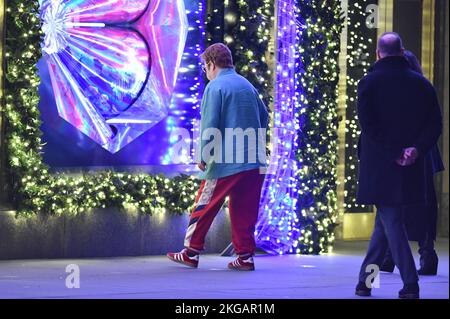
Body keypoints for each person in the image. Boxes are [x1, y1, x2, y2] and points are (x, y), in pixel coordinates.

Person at [354, 33, 442, 299]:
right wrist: (415, 149)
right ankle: (365, 283)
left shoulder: (368, 83)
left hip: (381, 165)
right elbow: (435, 124)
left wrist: (394, 152)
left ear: (378, 53)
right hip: (412, 165)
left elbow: (369, 126)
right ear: (402, 51)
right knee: (385, 223)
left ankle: (411, 283)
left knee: (390, 221)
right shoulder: (421, 84)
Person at [167, 43, 269, 271]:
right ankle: (245, 257)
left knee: (206, 201)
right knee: (244, 208)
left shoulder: (216, 88)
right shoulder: (247, 85)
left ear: (212, 64)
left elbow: (210, 125)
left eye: (205, 67)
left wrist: (203, 154)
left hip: (227, 160)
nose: (206, 72)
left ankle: (190, 252)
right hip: (255, 159)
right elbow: (264, 116)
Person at [379, 50, 445, 276]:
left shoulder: (399, 88)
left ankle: (390, 256)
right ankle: (425, 254)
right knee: (421, 202)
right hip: (421, 150)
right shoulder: (422, 87)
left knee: (395, 202)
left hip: (411, 150)